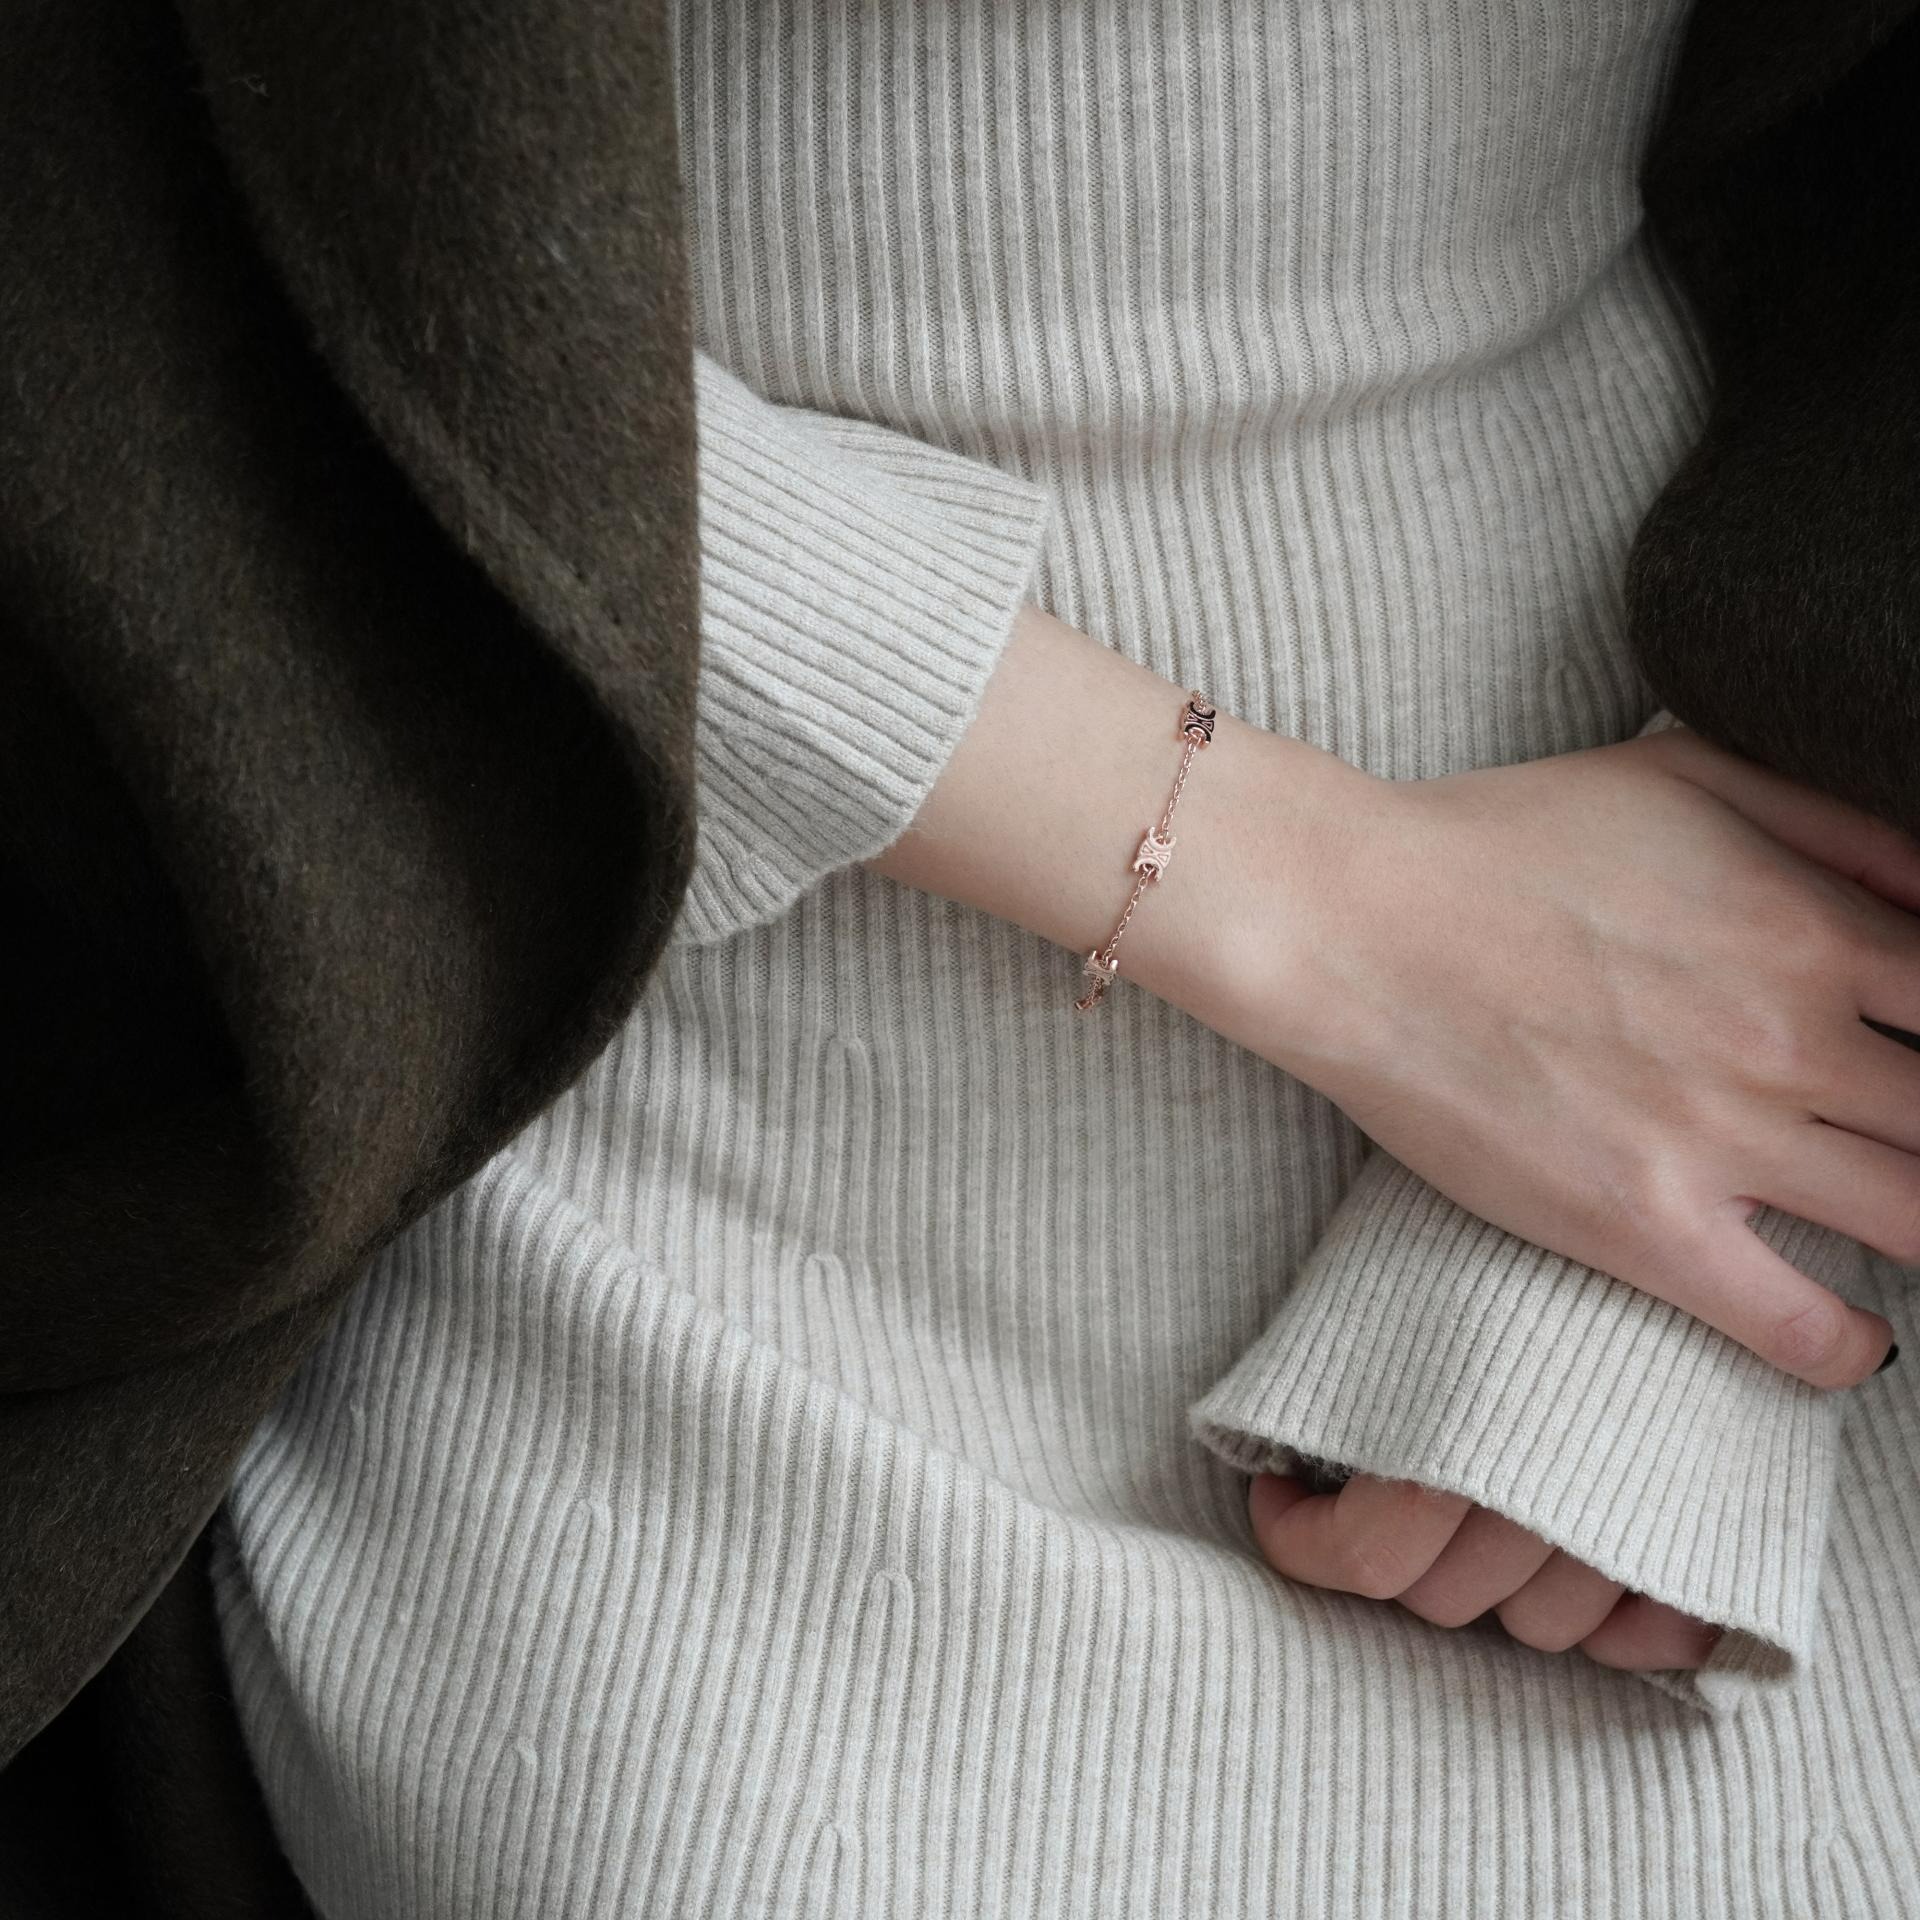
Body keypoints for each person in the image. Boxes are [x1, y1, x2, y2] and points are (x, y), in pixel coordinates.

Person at [194, 2, 1920, 1915]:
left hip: (1764, 970)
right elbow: (132, 263)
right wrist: (1343, 915)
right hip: (608, 1053)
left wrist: (1711, 1177)